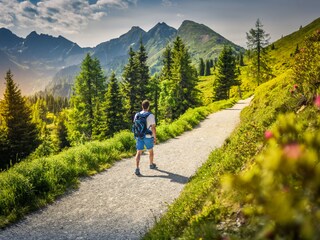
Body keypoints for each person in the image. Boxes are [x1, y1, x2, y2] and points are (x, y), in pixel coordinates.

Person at [134, 100, 157, 176]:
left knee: (138, 152)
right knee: (150, 151)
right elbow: (153, 128)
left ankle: (137, 168)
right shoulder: (151, 115)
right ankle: (151, 164)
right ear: (148, 106)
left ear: (142, 106)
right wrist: (154, 137)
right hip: (148, 136)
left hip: (139, 136)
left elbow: (135, 125)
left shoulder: (137, 115)